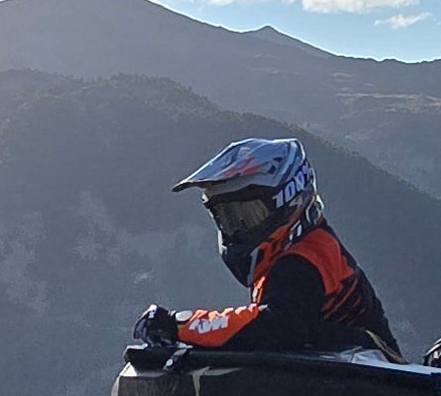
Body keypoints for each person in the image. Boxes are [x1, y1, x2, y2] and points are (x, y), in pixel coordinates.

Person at [136, 136, 402, 359]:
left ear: (288, 202)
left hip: (378, 387)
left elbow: (275, 327)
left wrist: (180, 324)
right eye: (227, 217)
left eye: (249, 214)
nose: (237, 229)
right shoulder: (300, 248)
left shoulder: (306, 257)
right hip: (355, 384)